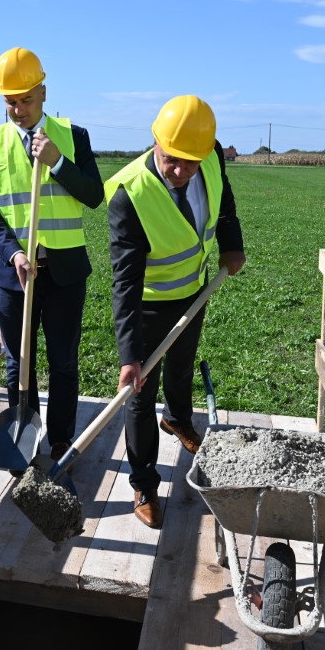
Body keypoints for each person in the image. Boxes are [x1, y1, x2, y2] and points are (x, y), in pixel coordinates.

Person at [107, 95, 246, 529]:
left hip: (195, 289)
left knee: (182, 366)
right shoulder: (130, 196)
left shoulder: (210, 158)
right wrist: (130, 355)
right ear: (156, 141)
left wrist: (232, 244)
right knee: (140, 395)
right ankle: (143, 483)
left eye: (191, 162)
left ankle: (178, 419)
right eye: (172, 159)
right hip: (149, 303)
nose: (181, 171)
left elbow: (225, 203)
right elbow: (125, 282)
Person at [0, 48, 104, 467]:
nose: (18, 109)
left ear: (43, 93)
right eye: (10, 101)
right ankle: (22, 444)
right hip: (16, 276)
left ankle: (61, 441)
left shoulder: (73, 136)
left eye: (26, 99)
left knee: (63, 361)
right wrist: (12, 254)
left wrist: (57, 162)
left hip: (64, 274)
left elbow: (94, 195)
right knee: (19, 363)